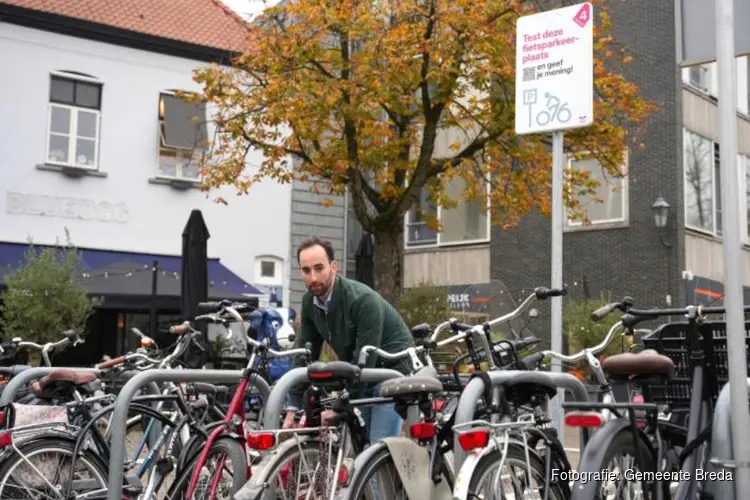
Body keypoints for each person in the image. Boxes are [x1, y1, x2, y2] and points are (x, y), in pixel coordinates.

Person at [282, 236, 415, 445]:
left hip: (391, 374)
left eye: (319, 268)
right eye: (306, 271)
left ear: (334, 267)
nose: (313, 277)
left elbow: (367, 356)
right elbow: (304, 353)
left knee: (377, 449)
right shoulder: (310, 302)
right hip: (361, 375)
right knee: (359, 449)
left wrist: (339, 406)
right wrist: (293, 406)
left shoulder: (362, 300)